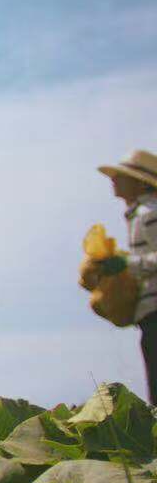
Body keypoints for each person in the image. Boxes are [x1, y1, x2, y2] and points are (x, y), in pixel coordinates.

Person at [99, 150, 157, 398]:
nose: (113, 180)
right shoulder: (139, 215)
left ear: (138, 182)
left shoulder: (149, 214)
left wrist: (125, 264)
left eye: (120, 176)